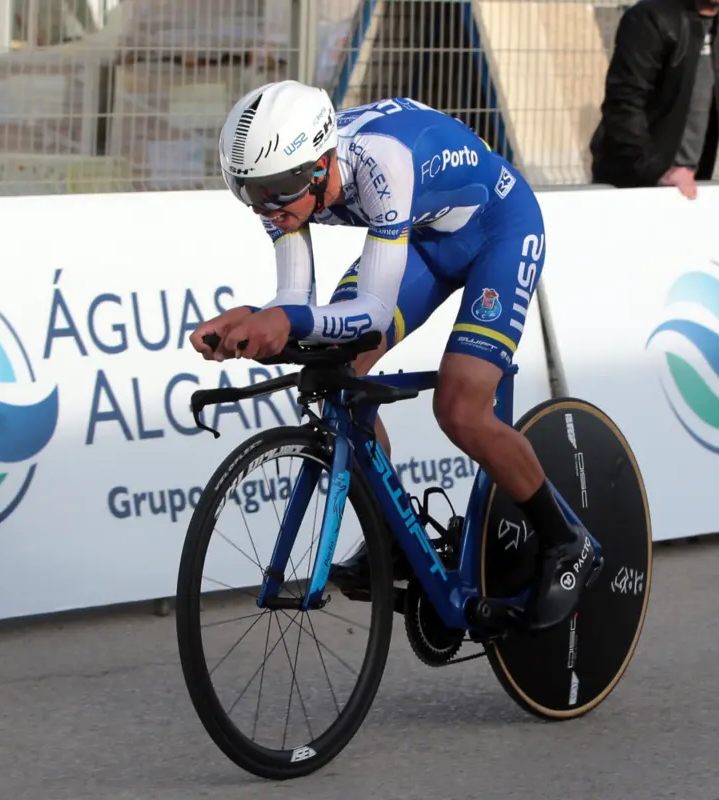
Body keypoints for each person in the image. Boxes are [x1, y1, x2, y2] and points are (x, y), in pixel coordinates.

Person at [187, 80, 599, 632]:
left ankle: (566, 538)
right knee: (338, 370)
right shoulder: (283, 190)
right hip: (422, 237)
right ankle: (401, 537)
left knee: (460, 408)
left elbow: (374, 312)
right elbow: (295, 301)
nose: (267, 206)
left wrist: (282, 321)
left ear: (319, 164)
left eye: (277, 189)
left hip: (499, 227)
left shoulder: (385, 163)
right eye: (249, 192)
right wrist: (253, 319)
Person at [589, 0, 719, 198]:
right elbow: (625, 104)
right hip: (636, 182)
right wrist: (657, 172)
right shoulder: (651, 18)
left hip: (688, 182)